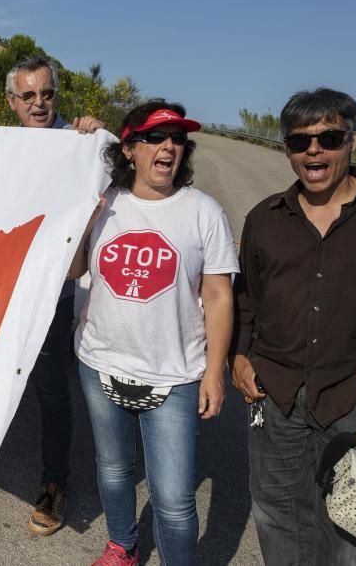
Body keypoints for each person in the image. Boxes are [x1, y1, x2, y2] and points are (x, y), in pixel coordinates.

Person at [67, 101, 237, 565]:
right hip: (99, 362)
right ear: (128, 149)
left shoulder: (203, 211)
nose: (168, 147)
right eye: (155, 138)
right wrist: (81, 226)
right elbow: (75, 269)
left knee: (175, 501)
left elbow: (220, 297)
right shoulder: (104, 204)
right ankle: (122, 544)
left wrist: (214, 372)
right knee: (114, 469)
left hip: (176, 375)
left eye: (177, 139)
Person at [231, 88, 356, 565]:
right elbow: (247, 301)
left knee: (355, 529)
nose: (314, 150)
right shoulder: (264, 219)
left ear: (352, 141)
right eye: (301, 142)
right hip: (274, 396)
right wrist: (239, 357)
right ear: (288, 151)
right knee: (279, 515)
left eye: (329, 138)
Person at [0, 56, 104, 537]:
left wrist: (100, 142)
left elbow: (124, 177)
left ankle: (55, 483)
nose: (40, 104)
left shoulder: (78, 143)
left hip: (52, 293)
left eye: (48, 94)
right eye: (29, 96)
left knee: (50, 391)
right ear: (11, 102)